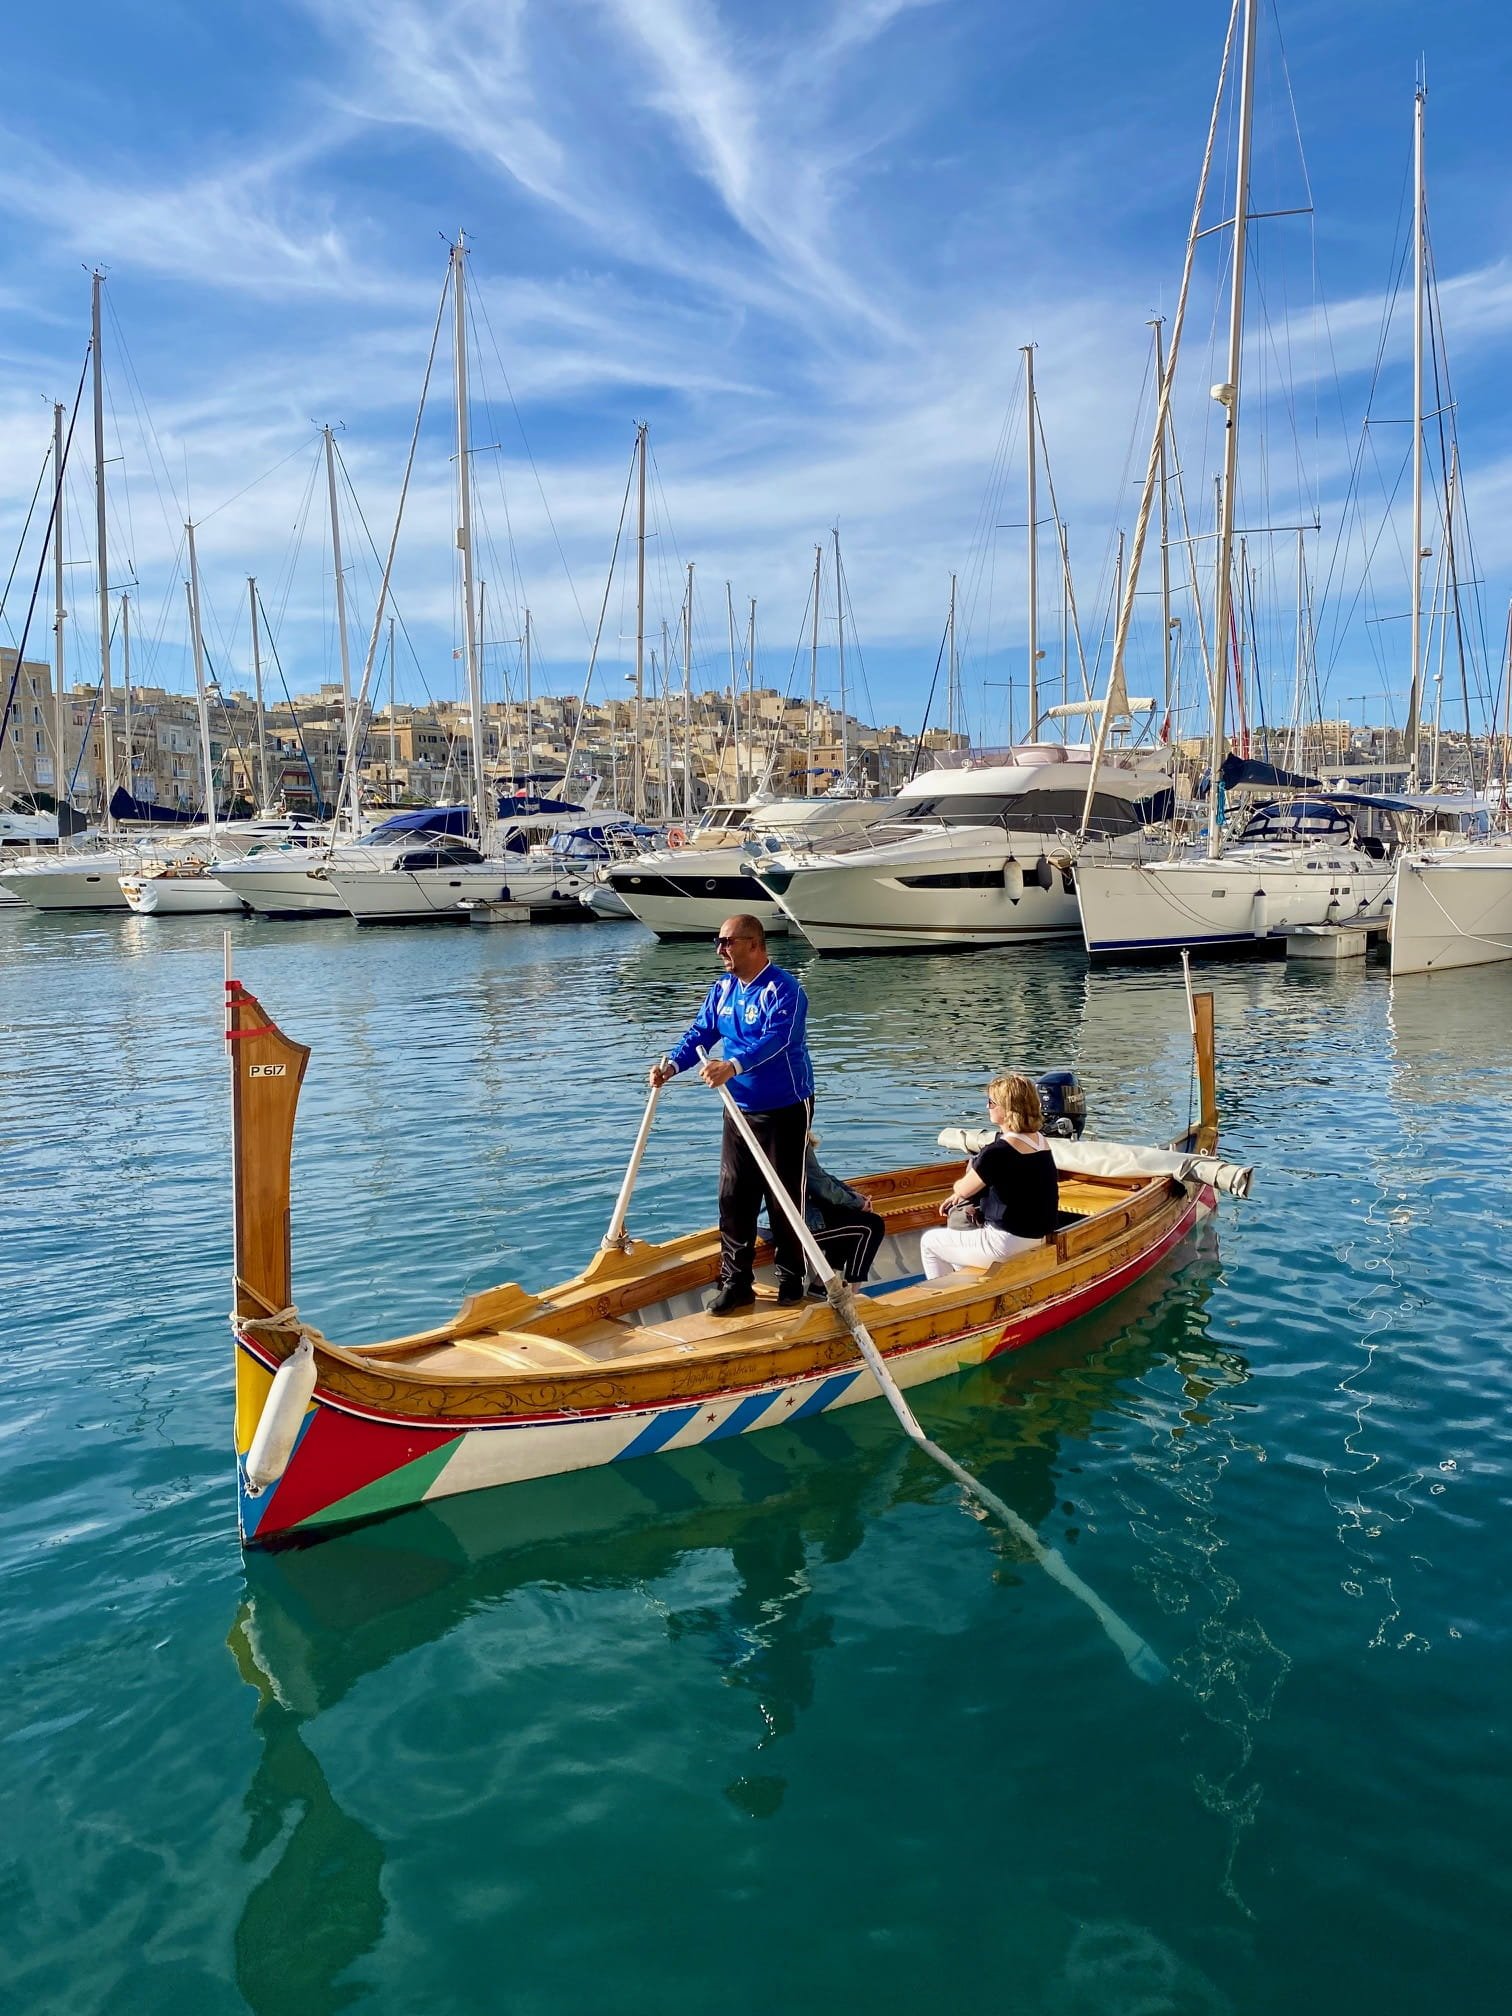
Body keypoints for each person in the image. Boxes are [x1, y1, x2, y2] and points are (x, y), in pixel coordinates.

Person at [649, 915, 815, 1314]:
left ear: (754, 944)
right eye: (718, 942)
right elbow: (701, 1034)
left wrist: (734, 1065)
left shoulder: (786, 990)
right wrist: (671, 1066)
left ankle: (793, 1276)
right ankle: (736, 1282)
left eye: (726, 942)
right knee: (733, 1195)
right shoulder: (722, 990)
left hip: (784, 1106)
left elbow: (778, 1040)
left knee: (783, 1196)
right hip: (738, 1108)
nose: (720, 949)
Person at [919, 1071, 1059, 1281]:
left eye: (992, 1102)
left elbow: (963, 1189)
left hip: (1004, 1242)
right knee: (957, 1244)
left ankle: (943, 1299)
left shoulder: (997, 1152)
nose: (987, 1107)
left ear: (1008, 1108)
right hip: (1035, 1238)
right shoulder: (1039, 1142)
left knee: (929, 1242)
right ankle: (965, 1287)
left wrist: (960, 1186)